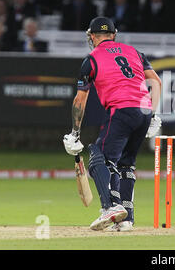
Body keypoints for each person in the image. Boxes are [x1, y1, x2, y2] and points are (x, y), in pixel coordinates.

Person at [63, 17, 162, 232]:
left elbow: (80, 100)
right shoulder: (135, 52)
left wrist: (75, 133)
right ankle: (126, 219)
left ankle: (110, 206)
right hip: (144, 111)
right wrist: (153, 115)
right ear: (113, 35)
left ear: (91, 36)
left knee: (99, 157)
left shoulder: (91, 59)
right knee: (126, 164)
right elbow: (156, 81)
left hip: (121, 109)